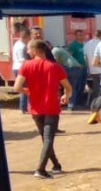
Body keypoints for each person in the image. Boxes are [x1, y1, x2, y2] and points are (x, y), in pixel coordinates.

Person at [15, 39, 71, 179]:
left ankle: (56, 165)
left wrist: (28, 92)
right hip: (51, 106)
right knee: (48, 139)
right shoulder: (55, 67)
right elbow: (68, 87)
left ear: (34, 50)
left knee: (45, 138)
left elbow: (17, 87)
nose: (27, 51)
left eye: (29, 49)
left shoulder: (26, 65)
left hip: (35, 107)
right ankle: (40, 169)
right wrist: (65, 95)